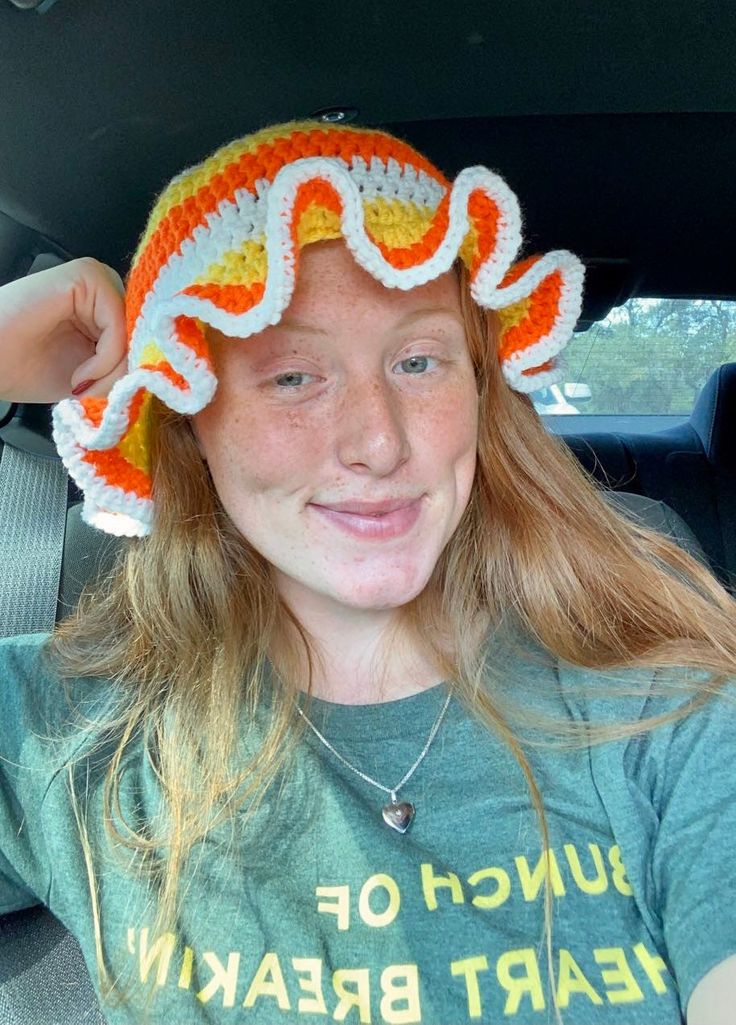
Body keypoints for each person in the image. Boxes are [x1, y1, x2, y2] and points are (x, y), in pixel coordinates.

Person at [0, 118, 734, 1025]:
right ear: (186, 418)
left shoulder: (671, 705)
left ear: (481, 389)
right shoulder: (67, 723)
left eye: (419, 360)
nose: (379, 442)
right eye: (293, 378)